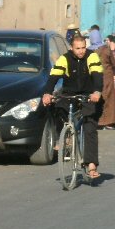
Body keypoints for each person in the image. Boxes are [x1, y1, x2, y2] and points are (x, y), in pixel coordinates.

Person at [42, 34, 103, 179]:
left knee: (89, 127)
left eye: (83, 48)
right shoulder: (64, 59)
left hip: (89, 95)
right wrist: (47, 93)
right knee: (55, 107)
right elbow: (53, 77)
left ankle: (91, 164)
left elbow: (97, 75)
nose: (81, 51)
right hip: (69, 94)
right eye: (78, 48)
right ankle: (65, 137)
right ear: (71, 48)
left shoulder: (92, 57)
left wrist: (97, 91)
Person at [96, 35, 115, 130]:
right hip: (107, 76)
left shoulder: (92, 51)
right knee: (109, 99)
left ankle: (99, 120)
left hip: (96, 76)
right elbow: (113, 62)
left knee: (99, 98)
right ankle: (108, 122)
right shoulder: (106, 50)